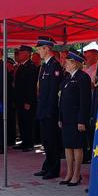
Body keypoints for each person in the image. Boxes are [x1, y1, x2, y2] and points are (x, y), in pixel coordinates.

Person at [58, 50, 91, 186]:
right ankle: (69, 173)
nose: (64, 63)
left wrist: (82, 120)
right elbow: (61, 100)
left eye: (67, 61)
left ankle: (77, 174)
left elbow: (85, 101)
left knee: (77, 146)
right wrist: (60, 117)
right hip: (66, 119)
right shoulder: (66, 78)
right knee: (68, 146)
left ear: (75, 63)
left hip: (76, 119)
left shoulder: (83, 78)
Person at [34, 36, 64, 179]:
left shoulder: (55, 66)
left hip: (50, 111)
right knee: (45, 140)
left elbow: (53, 91)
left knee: (52, 141)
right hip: (43, 109)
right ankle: (47, 165)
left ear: (47, 49)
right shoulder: (45, 65)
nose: (38, 51)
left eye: (40, 49)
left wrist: (49, 110)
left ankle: (54, 168)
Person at [13, 45, 38, 152]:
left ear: (28, 53)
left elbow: (31, 86)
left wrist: (28, 101)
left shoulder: (31, 67)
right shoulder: (21, 66)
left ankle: (29, 143)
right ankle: (24, 141)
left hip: (27, 101)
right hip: (20, 99)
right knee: (22, 121)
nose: (19, 54)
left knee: (28, 122)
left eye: (21, 52)